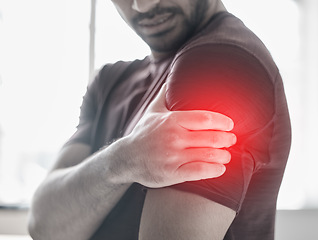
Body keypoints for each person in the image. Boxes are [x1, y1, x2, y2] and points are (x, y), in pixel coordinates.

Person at [28, 0, 291, 239]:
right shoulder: (110, 81)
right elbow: (43, 224)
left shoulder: (221, 62)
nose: (142, 5)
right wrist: (121, 160)